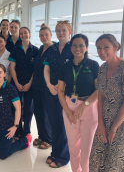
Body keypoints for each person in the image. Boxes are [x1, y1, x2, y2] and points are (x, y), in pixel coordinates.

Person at [89, 34, 124, 172]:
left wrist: (114, 128)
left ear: (116, 47)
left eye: (106, 47)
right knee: (96, 158)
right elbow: (100, 97)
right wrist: (100, 124)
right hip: (106, 118)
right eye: (99, 48)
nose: (102, 51)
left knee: (116, 162)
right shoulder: (102, 68)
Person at [58, 34, 99, 172]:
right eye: (74, 45)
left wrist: (84, 105)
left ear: (86, 47)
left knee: (86, 149)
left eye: (81, 45)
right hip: (69, 107)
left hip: (89, 107)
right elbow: (60, 91)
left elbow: (99, 90)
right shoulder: (65, 66)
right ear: (70, 47)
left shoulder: (93, 65)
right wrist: (68, 112)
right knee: (73, 148)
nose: (77, 48)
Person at [43, 21, 72, 167]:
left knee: (65, 125)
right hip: (51, 91)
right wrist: (48, 84)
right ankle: (54, 153)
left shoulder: (74, 48)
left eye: (64, 30)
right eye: (58, 30)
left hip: (67, 93)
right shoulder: (52, 48)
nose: (61, 33)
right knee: (54, 124)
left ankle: (63, 157)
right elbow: (46, 69)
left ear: (69, 32)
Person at [8, 27, 39, 140]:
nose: (23, 35)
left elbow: (36, 70)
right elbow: (12, 68)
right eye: (21, 33)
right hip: (16, 83)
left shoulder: (35, 50)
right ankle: (18, 129)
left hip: (30, 84)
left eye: (25, 33)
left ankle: (27, 130)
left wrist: (29, 83)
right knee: (16, 107)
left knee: (28, 108)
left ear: (29, 34)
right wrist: (16, 83)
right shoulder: (15, 50)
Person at [31, 24, 54, 152]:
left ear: (51, 35)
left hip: (48, 87)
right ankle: (41, 136)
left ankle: (48, 139)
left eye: (46, 35)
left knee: (46, 113)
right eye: (41, 35)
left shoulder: (54, 49)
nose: (44, 37)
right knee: (38, 112)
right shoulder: (40, 49)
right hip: (36, 86)